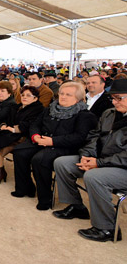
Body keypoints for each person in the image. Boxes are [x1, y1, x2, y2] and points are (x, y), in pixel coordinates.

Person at [53, 79, 127, 242]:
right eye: (113, 98)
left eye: (119, 98)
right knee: (62, 163)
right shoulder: (109, 113)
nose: (114, 102)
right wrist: (87, 156)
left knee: (94, 177)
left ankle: (107, 228)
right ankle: (77, 206)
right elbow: (93, 136)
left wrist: (98, 163)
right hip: (100, 160)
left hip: (122, 168)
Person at [12, 82, 97, 211]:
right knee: (19, 152)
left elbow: (79, 137)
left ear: (78, 98)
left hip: (63, 146)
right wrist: (35, 136)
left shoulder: (84, 115)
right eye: (61, 93)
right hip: (41, 140)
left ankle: (45, 198)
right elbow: (35, 125)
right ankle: (25, 187)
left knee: (39, 159)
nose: (63, 97)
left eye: (68, 95)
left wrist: (52, 141)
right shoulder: (49, 109)